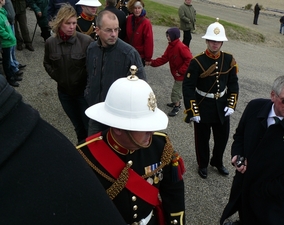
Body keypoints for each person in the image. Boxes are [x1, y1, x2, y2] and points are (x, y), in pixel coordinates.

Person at [0, 75, 127, 225]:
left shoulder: (158, 145)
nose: (149, 135)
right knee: (83, 128)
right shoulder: (85, 154)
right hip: (72, 92)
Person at [77, 70, 186, 225]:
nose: (152, 131)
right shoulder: (85, 156)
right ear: (118, 128)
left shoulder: (160, 145)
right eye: (143, 126)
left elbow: (173, 192)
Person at [220, 74, 284, 225]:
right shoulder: (254, 107)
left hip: (273, 199)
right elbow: (240, 135)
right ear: (273, 96)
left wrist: (265, 190)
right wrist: (237, 155)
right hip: (244, 185)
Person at [182, 18, 239, 179]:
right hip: (203, 105)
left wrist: (231, 104)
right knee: (202, 140)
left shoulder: (228, 60)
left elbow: (233, 84)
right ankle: (203, 164)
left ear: (222, 43)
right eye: (212, 41)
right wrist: (193, 110)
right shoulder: (197, 61)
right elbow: (188, 87)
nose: (215, 44)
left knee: (222, 139)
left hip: (222, 106)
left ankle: (217, 161)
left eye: (218, 41)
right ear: (207, 41)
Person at [84, 10, 146, 135]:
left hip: (118, 118)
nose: (113, 34)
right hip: (96, 112)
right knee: (93, 148)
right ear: (97, 30)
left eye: (116, 29)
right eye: (108, 30)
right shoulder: (91, 49)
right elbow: (90, 75)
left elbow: (141, 87)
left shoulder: (129, 54)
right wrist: (88, 93)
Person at [43, 4, 94, 143]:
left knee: (88, 125)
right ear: (60, 23)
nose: (72, 27)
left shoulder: (86, 41)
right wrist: (57, 76)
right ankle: (81, 148)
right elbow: (46, 63)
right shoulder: (50, 42)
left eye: (74, 23)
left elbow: (93, 66)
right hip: (64, 94)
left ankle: (91, 153)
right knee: (77, 126)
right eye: (68, 23)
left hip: (82, 94)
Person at [147, 27, 192, 117]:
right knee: (177, 90)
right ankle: (176, 102)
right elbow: (164, 58)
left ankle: (177, 106)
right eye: (167, 35)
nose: (167, 37)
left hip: (181, 75)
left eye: (169, 35)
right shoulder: (171, 46)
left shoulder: (181, 47)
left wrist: (181, 71)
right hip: (177, 74)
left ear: (174, 36)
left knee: (176, 91)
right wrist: (152, 63)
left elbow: (190, 59)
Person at [0, 0, 21, 87]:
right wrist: (10, 36)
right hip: (5, 42)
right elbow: (1, 30)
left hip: (8, 42)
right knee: (6, 61)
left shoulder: (3, 12)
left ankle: (12, 74)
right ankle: (9, 78)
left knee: (8, 59)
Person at [125, 0, 153, 66]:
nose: (137, 10)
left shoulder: (146, 23)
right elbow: (126, 36)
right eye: (135, 8)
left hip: (139, 56)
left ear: (142, 8)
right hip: (128, 53)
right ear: (132, 9)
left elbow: (148, 41)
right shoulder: (129, 19)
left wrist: (148, 58)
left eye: (139, 8)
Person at [3, 0, 26, 77]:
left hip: (11, 22)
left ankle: (15, 63)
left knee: (13, 48)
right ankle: (13, 68)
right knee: (9, 49)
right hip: (7, 23)